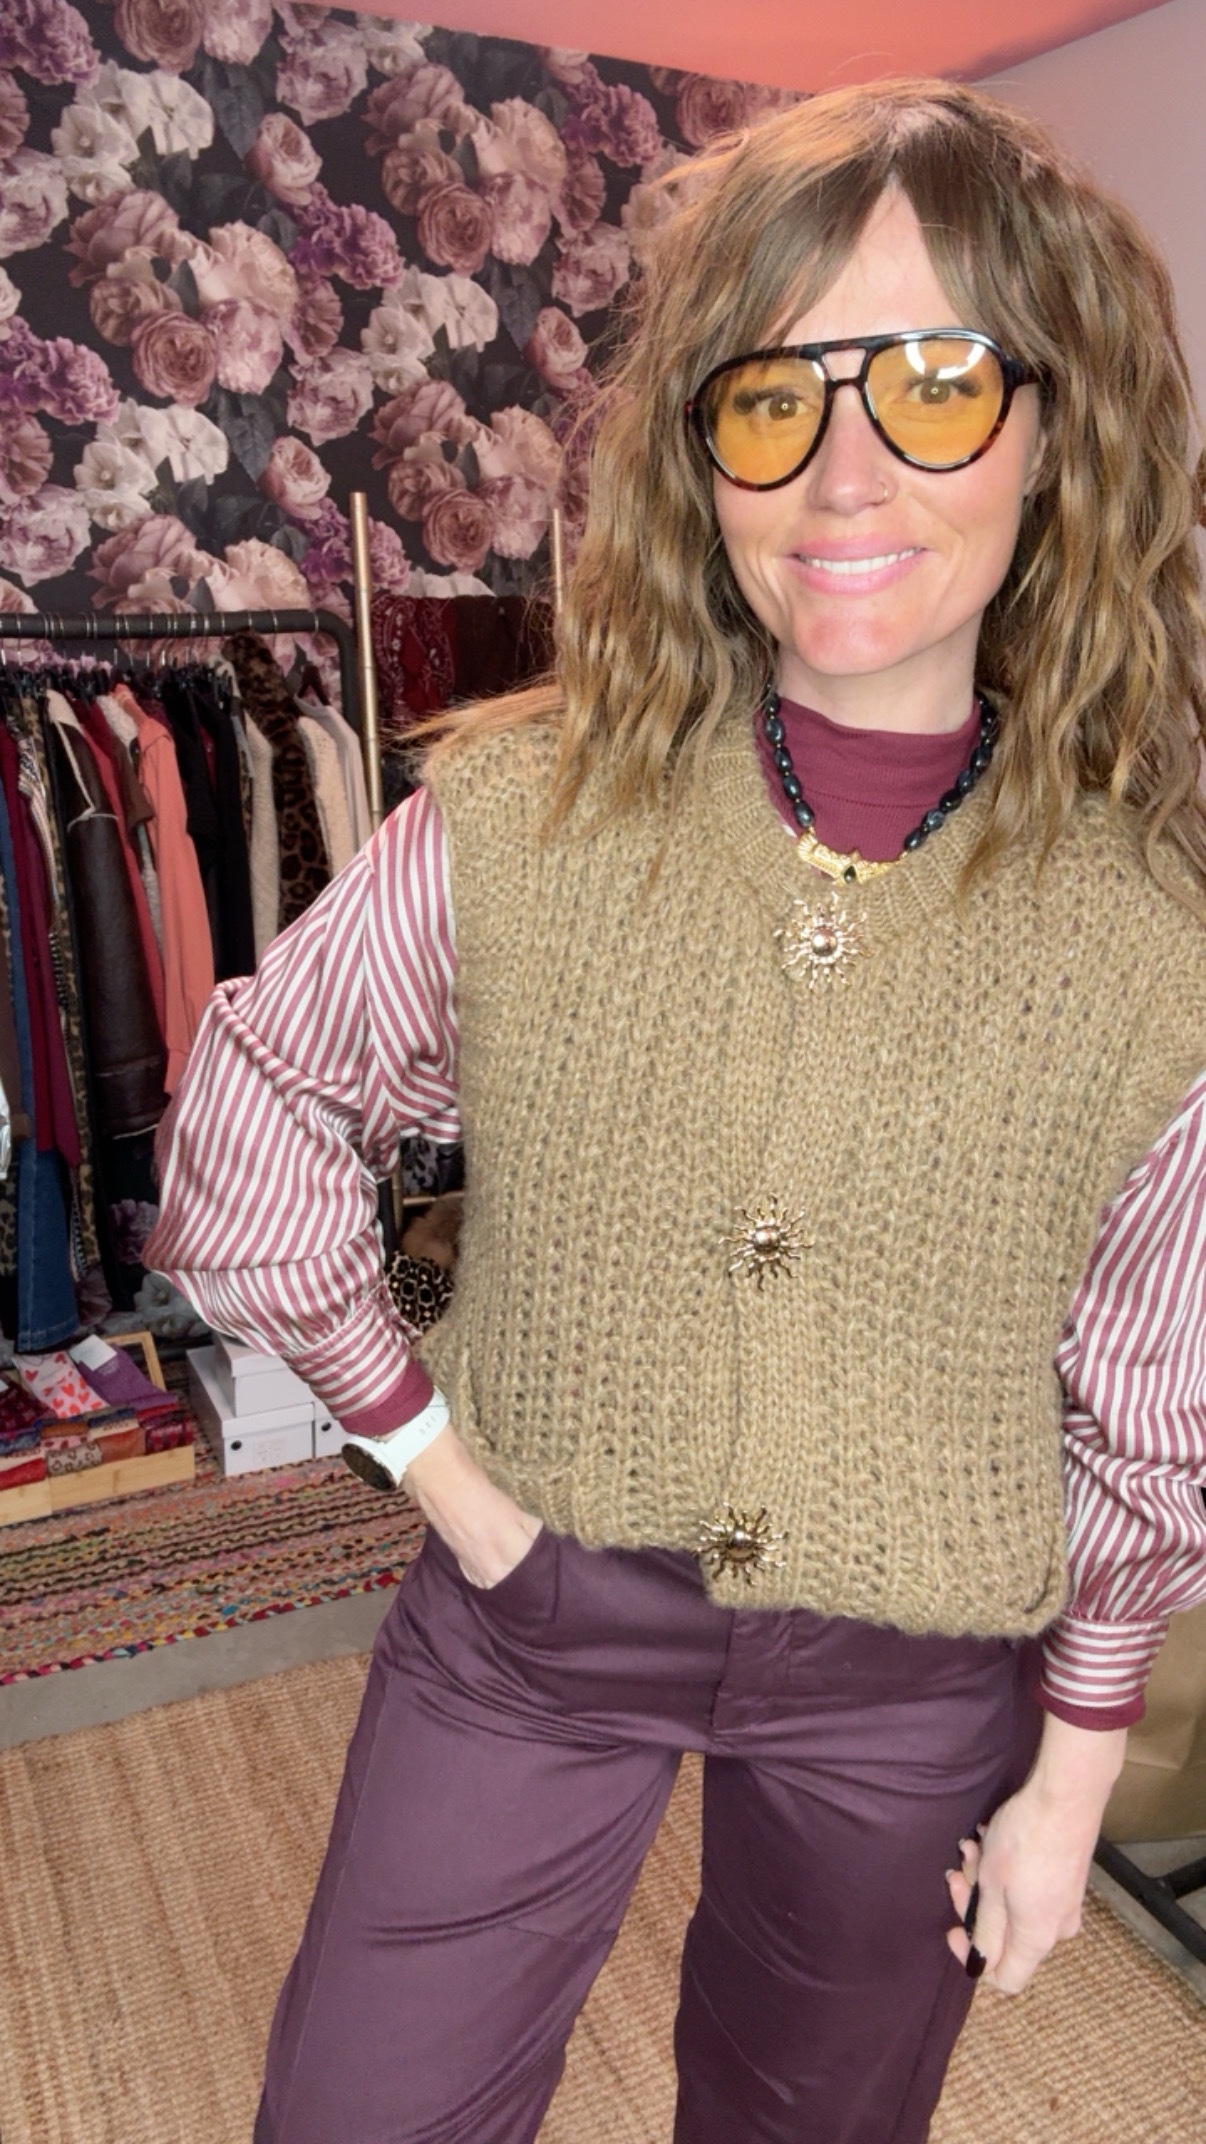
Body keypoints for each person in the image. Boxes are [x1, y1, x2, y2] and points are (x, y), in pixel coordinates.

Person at [146, 76, 1206, 2144]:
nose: (841, 470)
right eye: (773, 397)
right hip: (530, 1613)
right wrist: (442, 1471)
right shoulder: (525, 819)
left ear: (1057, 427)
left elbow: (1153, 1396)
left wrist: (1073, 1776)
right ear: (699, 455)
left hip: (915, 1666)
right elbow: (255, 1115)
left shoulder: (1156, 938)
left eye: (931, 384)